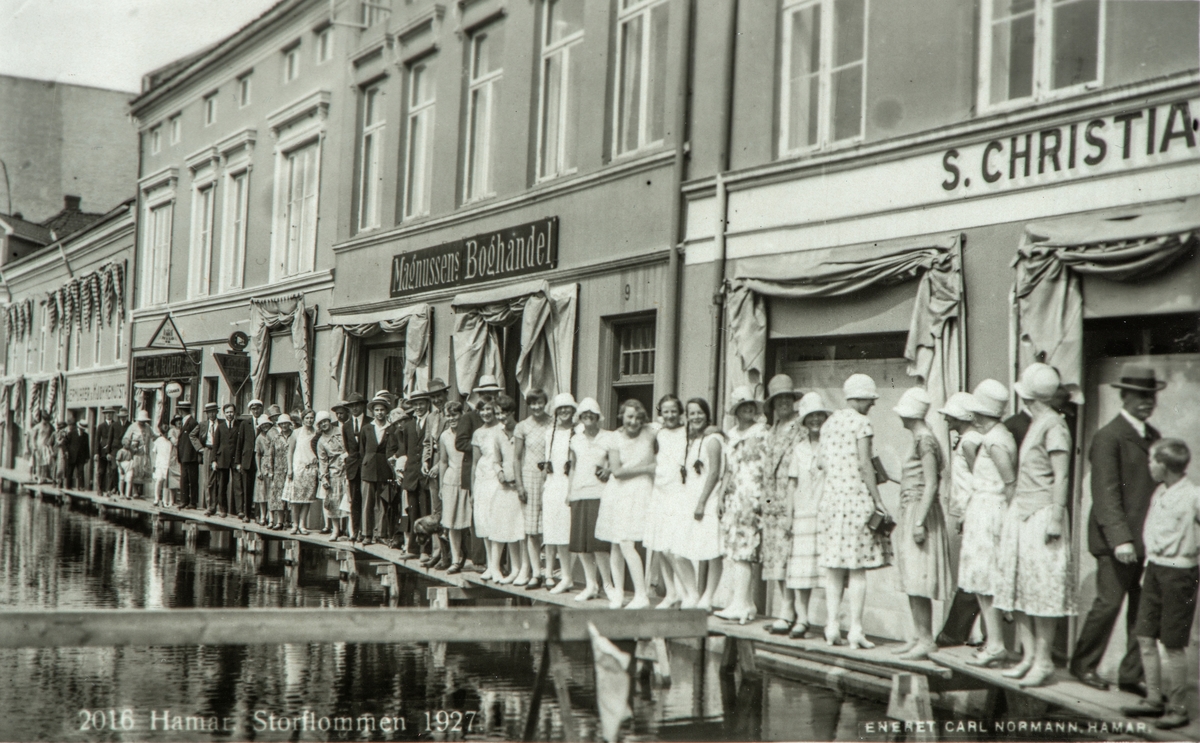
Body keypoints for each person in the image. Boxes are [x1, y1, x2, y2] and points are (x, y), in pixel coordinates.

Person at [1071, 365, 1165, 693]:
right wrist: (1121, 539)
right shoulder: (1109, 436)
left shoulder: (1153, 437)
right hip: (1117, 541)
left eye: (1151, 396)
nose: (1147, 402)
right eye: (1140, 395)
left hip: (1148, 540)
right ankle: (1083, 665)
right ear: (1124, 396)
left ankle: (1131, 675)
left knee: (1144, 609)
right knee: (1109, 604)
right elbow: (1105, 494)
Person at [994, 363, 1076, 687]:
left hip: (1043, 514)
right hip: (1023, 513)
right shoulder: (1038, 422)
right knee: (1022, 587)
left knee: (1044, 589)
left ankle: (1043, 661)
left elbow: (1062, 475)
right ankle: (1029, 656)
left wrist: (1056, 517)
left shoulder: (1054, 425)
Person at [1121, 439, 1198, 730]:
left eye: (1153, 461)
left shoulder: (1193, 496)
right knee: (1144, 634)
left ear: (1164, 466)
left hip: (1179, 575)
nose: (1149, 465)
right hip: (1153, 570)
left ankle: (1178, 710)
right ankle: (1154, 699)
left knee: (1173, 643)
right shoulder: (1160, 492)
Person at [820, 373, 892, 650]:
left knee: (834, 568)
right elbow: (865, 465)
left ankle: (831, 626)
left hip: (832, 500)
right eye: (870, 400)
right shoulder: (862, 423)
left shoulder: (829, 423)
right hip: (855, 500)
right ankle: (856, 630)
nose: (872, 405)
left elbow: (823, 464)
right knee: (858, 568)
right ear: (860, 398)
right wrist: (878, 500)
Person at [959, 380, 1018, 668]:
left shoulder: (995, 441)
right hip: (983, 509)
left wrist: (1008, 523)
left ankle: (996, 644)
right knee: (982, 582)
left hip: (990, 512)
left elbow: (1010, 484)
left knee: (987, 580)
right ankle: (993, 641)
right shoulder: (994, 436)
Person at [891, 387, 953, 660]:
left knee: (919, 578)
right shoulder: (919, 437)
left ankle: (926, 639)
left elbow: (931, 484)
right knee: (912, 576)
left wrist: (918, 521)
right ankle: (918, 634)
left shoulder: (925, 440)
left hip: (921, 511)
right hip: (911, 507)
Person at [596, 399, 657, 610]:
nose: (634, 421)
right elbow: (618, 471)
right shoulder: (614, 438)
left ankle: (642, 594)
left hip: (640, 493)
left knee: (626, 542)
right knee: (617, 543)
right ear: (622, 416)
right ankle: (618, 593)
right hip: (618, 493)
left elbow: (674, 428)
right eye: (630, 417)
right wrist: (648, 468)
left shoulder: (651, 431)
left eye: (638, 417)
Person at [760, 375, 805, 633]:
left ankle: (792, 612)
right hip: (772, 504)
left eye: (788, 397)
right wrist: (766, 503)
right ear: (773, 403)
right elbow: (766, 472)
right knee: (776, 560)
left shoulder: (800, 428)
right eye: (780, 399)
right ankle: (786, 610)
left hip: (793, 500)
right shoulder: (771, 431)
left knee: (791, 559)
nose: (785, 402)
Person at [784, 392, 830, 639]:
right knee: (801, 569)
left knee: (827, 570)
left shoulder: (832, 444)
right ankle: (802, 619)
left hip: (825, 513)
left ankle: (830, 621)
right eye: (810, 416)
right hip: (802, 512)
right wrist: (789, 514)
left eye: (819, 416)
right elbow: (791, 484)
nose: (815, 420)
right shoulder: (799, 448)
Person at [676, 397, 725, 611]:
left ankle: (708, 597)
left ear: (707, 415)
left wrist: (702, 502)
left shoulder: (713, 438)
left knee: (712, 551)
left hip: (708, 498)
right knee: (678, 552)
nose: (695, 417)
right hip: (688, 498)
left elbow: (714, 472)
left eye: (699, 413)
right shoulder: (691, 440)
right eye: (691, 413)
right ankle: (692, 594)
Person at [567, 397, 616, 602]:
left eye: (591, 414)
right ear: (580, 417)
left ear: (597, 417)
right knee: (581, 544)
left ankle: (608, 584)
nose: (588, 417)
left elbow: (615, 463)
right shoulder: (575, 439)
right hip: (579, 492)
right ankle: (591, 585)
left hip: (600, 493)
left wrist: (608, 470)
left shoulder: (609, 437)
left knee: (599, 544)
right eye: (584, 414)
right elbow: (572, 467)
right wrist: (569, 491)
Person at [473, 396, 523, 582]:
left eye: (504, 414)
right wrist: (500, 472)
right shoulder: (497, 434)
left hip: (516, 484)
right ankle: (494, 567)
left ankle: (516, 568)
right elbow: (495, 460)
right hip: (499, 483)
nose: (501, 417)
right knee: (496, 524)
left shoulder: (520, 430)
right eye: (499, 414)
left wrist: (517, 479)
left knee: (516, 526)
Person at [645, 394, 689, 608]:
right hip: (659, 493)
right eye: (665, 411)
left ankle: (685, 591)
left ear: (680, 413)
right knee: (660, 546)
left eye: (673, 411)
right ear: (660, 413)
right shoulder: (657, 433)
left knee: (675, 547)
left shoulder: (688, 432)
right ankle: (670, 593)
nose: (670, 415)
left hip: (679, 493)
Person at [513, 389, 552, 588]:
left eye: (540, 402)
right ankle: (535, 573)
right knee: (531, 529)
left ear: (545, 402)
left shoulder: (553, 423)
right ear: (529, 404)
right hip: (529, 478)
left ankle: (550, 573)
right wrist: (519, 485)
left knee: (550, 526)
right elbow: (517, 458)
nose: (537, 407)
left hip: (550, 478)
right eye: (533, 403)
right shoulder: (522, 427)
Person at [540, 393, 577, 594]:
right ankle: (548, 574)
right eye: (560, 408)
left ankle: (565, 575)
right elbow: (546, 460)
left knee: (564, 530)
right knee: (550, 528)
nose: (564, 411)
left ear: (572, 411)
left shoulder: (577, 431)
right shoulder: (550, 432)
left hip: (568, 483)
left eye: (567, 408)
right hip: (552, 483)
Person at [394, 389, 436, 560]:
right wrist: (400, 468)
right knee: (412, 511)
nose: (419, 407)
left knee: (425, 512)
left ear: (427, 404)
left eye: (422, 404)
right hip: (411, 475)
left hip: (425, 476)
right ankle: (412, 548)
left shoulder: (432, 423)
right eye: (416, 404)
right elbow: (404, 451)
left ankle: (425, 551)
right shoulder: (408, 426)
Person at [358, 395, 395, 546]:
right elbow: (362, 449)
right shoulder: (367, 428)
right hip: (368, 468)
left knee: (383, 502)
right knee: (367, 503)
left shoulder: (391, 428)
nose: (379, 413)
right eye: (377, 410)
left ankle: (381, 533)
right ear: (373, 412)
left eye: (382, 410)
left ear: (386, 412)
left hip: (384, 468)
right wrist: (367, 462)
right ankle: (367, 534)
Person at [438, 401, 470, 572]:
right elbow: (443, 461)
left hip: (467, 479)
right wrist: (441, 485)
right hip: (451, 479)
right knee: (451, 521)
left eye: (454, 415)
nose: (451, 418)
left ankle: (476, 559)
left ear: (461, 414)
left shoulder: (469, 433)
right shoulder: (444, 436)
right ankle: (456, 559)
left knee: (469, 520)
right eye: (448, 415)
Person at [315, 410, 353, 542]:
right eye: (321, 423)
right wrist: (324, 476)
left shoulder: (341, 431)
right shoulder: (321, 441)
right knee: (333, 502)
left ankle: (351, 531)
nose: (324, 424)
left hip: (348, 468)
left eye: (325, 421)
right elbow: (323, 460)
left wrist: (347, 455)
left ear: (329, 421)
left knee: (349, 499)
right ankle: (335, 531)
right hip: (333, 472)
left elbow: (350, 446)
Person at [285, 409, 318, 535]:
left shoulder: (316, 432)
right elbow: (290, 452)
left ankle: (303, 525)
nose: (309, 420)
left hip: (311, 469)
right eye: (307, 418)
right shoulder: (296, 433)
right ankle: (295, 525)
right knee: (295, 499)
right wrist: (290, 468)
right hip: (298, 468)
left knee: (307, 498)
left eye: (311, 418)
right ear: (303, 419)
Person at [232, 399, 263, 522]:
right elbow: (239, 443)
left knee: (260, 488)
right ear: (250, 410)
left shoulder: (265, 423)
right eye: (253, 409)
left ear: (261, 409)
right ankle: (246, 513)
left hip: (261, 460)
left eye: (258, 408)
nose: (256, 411)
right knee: (247, 488)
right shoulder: (245, 424)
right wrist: (238, 462)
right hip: (248, 460)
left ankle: (259, 515)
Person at [208, 404, 235, 517]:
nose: (229, 414)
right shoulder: (221, 427)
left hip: (234, 459)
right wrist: (214, 460)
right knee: (221, 485)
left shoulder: (239, 426)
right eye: (227, 412)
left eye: (231, 412)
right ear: (224, 414)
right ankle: (223, 509)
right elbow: (215, 445)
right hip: (222, 459)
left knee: (237, 485)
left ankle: (237, 511)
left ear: (235, 413)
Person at [252, 416, 279, 527]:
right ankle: (263, 516)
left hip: (274, 464)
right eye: (263, 425)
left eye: (266, 424)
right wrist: (259, 470)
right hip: (264, 464)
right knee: (262, 493)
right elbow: (257, 454)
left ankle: (271, 517)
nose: (265, 427)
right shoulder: (259, 438)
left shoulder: (275, 435)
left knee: (271, 493)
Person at [122, 410, 155, 499]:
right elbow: (125, 439)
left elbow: (153, 436)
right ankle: (135, 491)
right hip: (136, 453)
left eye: (144, 421)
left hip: (145, 453)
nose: (142, 422)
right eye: (141, 421)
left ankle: (140, 491)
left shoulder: (148, 427)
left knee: (143, 472)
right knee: (136, 471)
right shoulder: (133, 427)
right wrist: (130, 446)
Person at [175, 401, 201, 509]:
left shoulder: (192, 423)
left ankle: (192, 502)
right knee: (184, 479)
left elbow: (194, 439)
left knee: (192, 479)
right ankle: (184, 500)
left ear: (181, 411)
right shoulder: (185, 422)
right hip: (184, 456)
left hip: (190, 456)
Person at [93, 407, 117, 495]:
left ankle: (109, 490)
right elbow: (97, 440)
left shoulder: (115, 425)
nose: (109, 415)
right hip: (102, 451)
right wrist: (96, 453)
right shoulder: (101, 426)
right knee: (101, 471)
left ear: (113, 414)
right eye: (107, 413)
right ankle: (100, 489)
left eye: (110, 413)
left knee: (111, 471)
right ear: (105, 415)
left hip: (112, 451)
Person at [151, 421, 174, 507]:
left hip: (167, 464)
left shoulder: (169, 443)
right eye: (164, 432)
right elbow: (154, 453)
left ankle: (165, 501)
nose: (165, 434)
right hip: (159, 463)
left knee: (166, 483)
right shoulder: (158, 441)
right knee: (159, 480)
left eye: (166, 432)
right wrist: (153, 464)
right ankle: (156, 499)